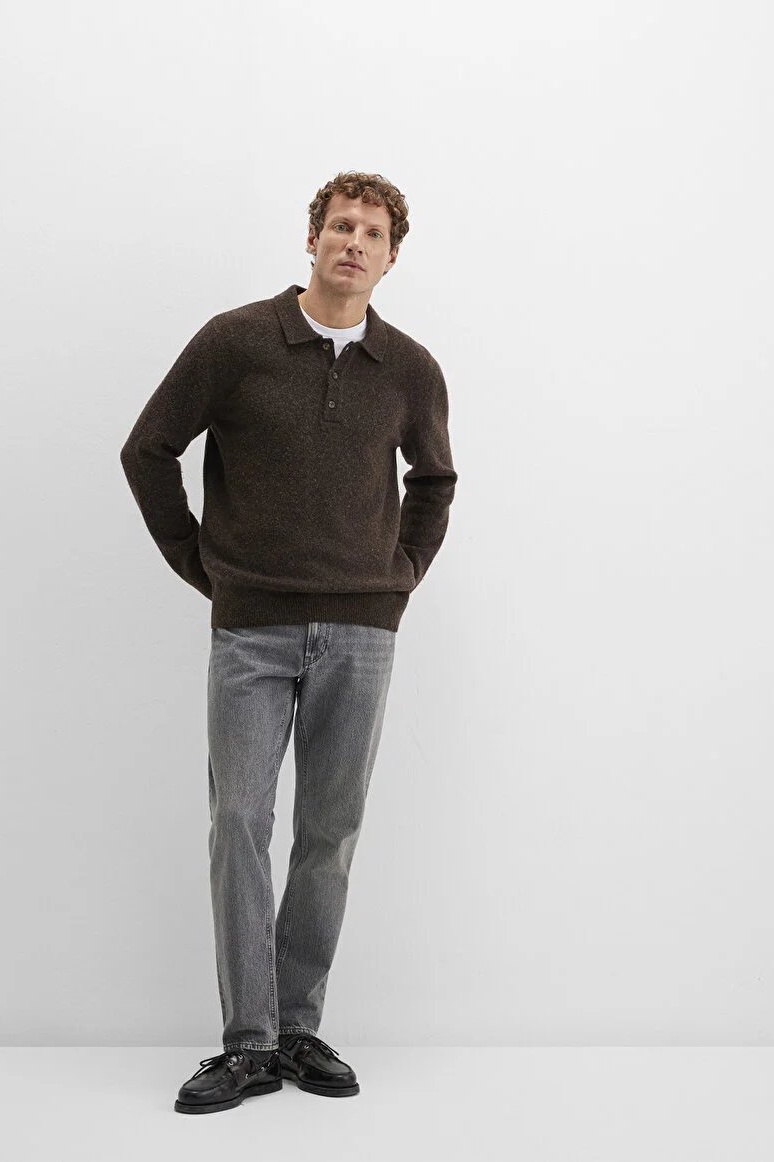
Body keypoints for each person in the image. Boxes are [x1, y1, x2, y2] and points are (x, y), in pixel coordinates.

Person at [119, 171, 458, 1115]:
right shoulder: (236, 342)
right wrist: (203, 565)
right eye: (341, 225)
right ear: (312, 239)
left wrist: (399, 576)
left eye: (373, 233)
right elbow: (148, 449)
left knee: (329, 834)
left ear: (391, 258)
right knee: (239, 823)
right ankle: (249, 1044)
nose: (355, 243)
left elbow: (435, 480)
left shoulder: (411, 369)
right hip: (252, 628)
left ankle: (299, 1027)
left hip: (362, 628)